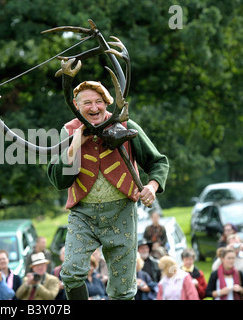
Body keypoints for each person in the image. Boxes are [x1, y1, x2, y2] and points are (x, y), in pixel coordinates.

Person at [47, 80, 169, 300]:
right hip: (83, 214)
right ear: (76, 105)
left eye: (99, 102)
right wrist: (75, 144)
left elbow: (158, 162)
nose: (94, 108)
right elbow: (59, 181)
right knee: (71, 273)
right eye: (87, 103)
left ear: (107, 103)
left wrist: (152, 185)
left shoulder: (125, 125)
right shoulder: (68, 131)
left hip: (121, 212)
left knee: (123, 288)